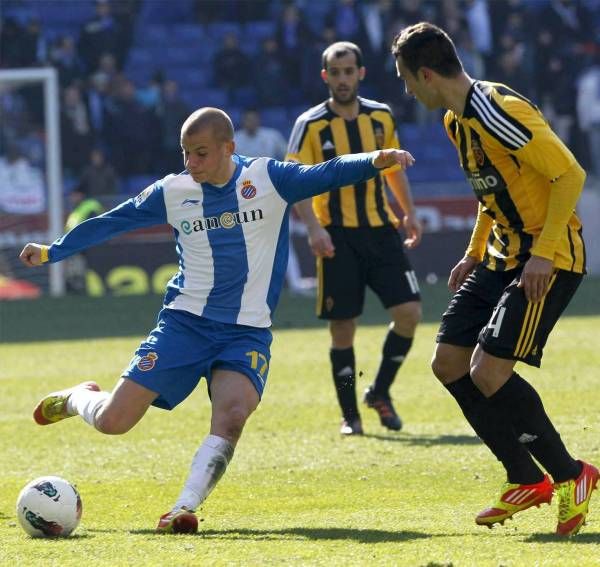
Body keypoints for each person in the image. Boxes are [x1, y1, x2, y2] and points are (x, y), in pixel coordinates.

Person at [19, 107, 414, 534]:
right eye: (186, 153)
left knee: (233, 415)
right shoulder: (173, 191)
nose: (191, 163)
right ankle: (79, 397)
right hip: (184, 323)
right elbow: (112, 221)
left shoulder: (267, 178)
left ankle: (182, 508)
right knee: (114, 421)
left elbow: (327, 172)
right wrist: (52, 251)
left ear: (230, 148)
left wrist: (376, 160)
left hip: (245, 332)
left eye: (201, 153)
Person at [391, 22, 598, 537]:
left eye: (405, 78)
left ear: (425, 73)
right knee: (448, 363)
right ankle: (525, 477)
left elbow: (569, 173)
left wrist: (544, 254)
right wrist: (473, 250)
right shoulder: (455, 121)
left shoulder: (497, 110)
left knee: (488, 371)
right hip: (501, 254)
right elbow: (494, 191)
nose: (406, 90)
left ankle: (574, 476)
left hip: (546, 257)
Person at [286, 41, 422, 436]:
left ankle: (379, 390)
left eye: (350, 72)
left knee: (409, 313)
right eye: (336, 72)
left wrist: (408, 212)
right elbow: (296, 182)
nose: (343, 79)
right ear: (325, 76)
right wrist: (313, 227)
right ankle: (351, 416)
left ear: (360, 74)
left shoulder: (381, 116)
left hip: (381, 231)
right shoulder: (310, 124)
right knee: (343, 327)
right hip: (337, 236)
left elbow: (394, 168)